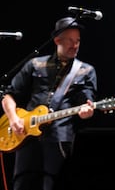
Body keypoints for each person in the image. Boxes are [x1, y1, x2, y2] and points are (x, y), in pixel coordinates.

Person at [1, 16, 98, 190]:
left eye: (78, 41)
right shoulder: (35, 64)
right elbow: (9, 95)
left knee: (52, 185)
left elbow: (87, 100)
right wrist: (13, 118)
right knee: (21, 183)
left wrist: (87, 111)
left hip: (59, 139)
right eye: (70, 40)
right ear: (57, 40)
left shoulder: (85, 70)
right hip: (26, 135)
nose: (75, 45)